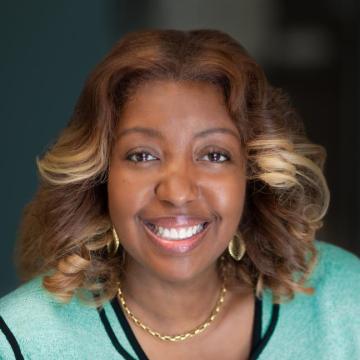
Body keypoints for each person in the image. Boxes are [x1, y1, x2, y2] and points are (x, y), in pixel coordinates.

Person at [0, 28, 359, 360]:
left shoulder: (343, 302)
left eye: (214, 155)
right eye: (142, 155)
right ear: (100, 174)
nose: (177, 192)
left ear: (252, 174)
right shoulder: (21, 341)